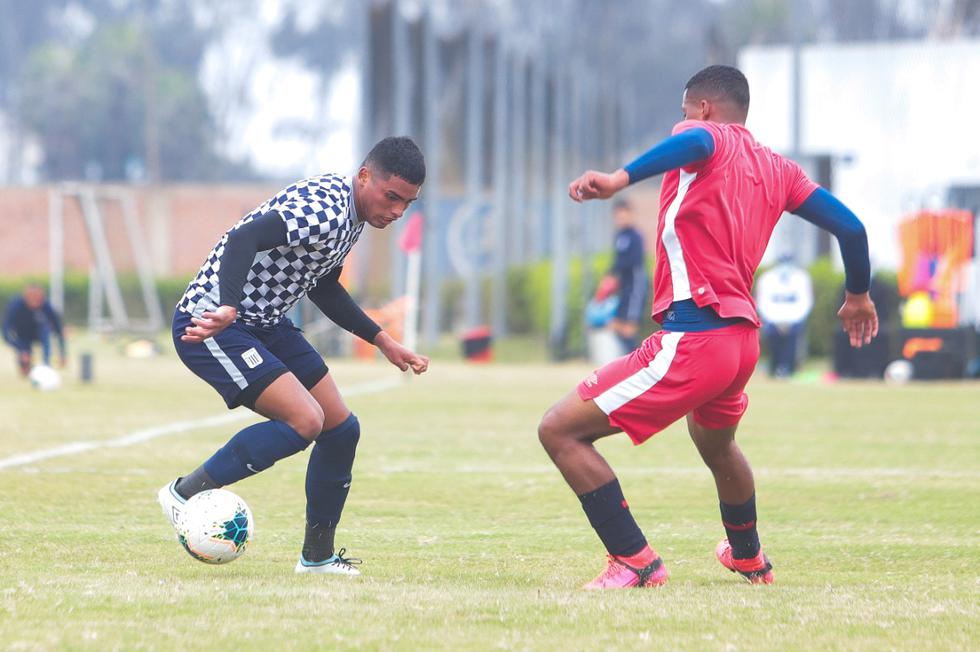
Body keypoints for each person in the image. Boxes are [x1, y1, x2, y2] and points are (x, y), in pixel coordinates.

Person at [539, 65, 878, 589]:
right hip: (741, 344)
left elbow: (695, 139)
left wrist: (618, 179)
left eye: (683, 112)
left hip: (694, 338)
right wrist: (857, 293)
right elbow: (852, 229)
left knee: (559, 430)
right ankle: (747, 555)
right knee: (717, 446)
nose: (681, 124)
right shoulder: (779, 170)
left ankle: (634, 560)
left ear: (703, 108)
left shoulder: (705, 135)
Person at [158, 136, 429, 575]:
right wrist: (228, 304)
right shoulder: (324, 207)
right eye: (392, 196)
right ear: (365, 177)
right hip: (213, 322)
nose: (397, 211)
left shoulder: (354, 217)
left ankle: (317, 557)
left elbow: (322, 286)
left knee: (341, 429)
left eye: (408, 203)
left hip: (265, 323)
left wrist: (381, 339)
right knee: (306, 420)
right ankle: (184, 495)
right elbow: (243, 237)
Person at [594, 199, 649, 352]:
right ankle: (632, 359)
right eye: (618, 216)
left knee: (628, 327)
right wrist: (609, 278)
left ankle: (639, 361)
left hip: (635, 287)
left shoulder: (635, 236)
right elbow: (617, 261)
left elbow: (632, 262)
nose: (621, 219)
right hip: (624, 287)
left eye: (624, 215)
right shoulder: (619, 236)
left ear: (631, 215)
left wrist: (613, 275)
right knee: (615, 324)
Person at [756, 255, 813, 377]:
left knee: (792, 344)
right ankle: (775, 368)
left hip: (794, 321)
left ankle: (790, 369)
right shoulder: (766, 279)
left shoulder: (801, 278)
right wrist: (774, 321)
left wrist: (794, 320)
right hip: (772, 321)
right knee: (774, 343)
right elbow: (763, 302)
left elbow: (805, 302)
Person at [3, 284, 65, 376]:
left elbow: (58, 330)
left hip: (40, 333)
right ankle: (25, 367)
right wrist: (20, 348)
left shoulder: (46, 306)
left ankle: (46, 365)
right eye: (32, 297)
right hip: (22, 334)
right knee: (25, 352)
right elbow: (5, 330)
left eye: (38, 298)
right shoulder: (15, 306)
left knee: (46, 332)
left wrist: (62, 354)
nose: (35, 301)